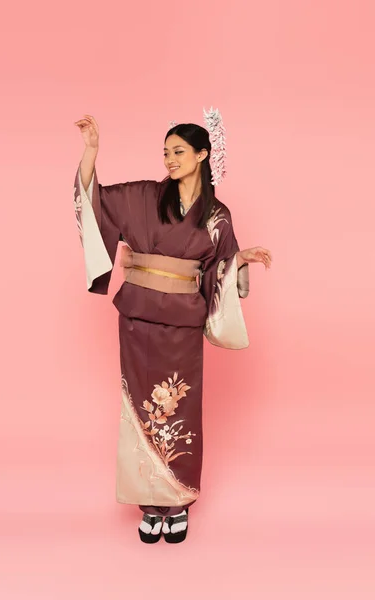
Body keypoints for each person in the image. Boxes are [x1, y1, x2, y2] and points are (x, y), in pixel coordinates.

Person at [72, 113, 272, 544]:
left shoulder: (217, 215)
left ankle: (177, 501)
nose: (170, 159)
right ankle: (149, 503)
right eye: (166, 152)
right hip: (138, 319)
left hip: (181, 323)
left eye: (179, 151)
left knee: (179, 408)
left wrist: (241, 259)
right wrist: (91, 151)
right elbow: (95, 202)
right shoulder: (145, 196)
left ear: (202, 155)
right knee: (140, 409)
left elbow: (219, 264)